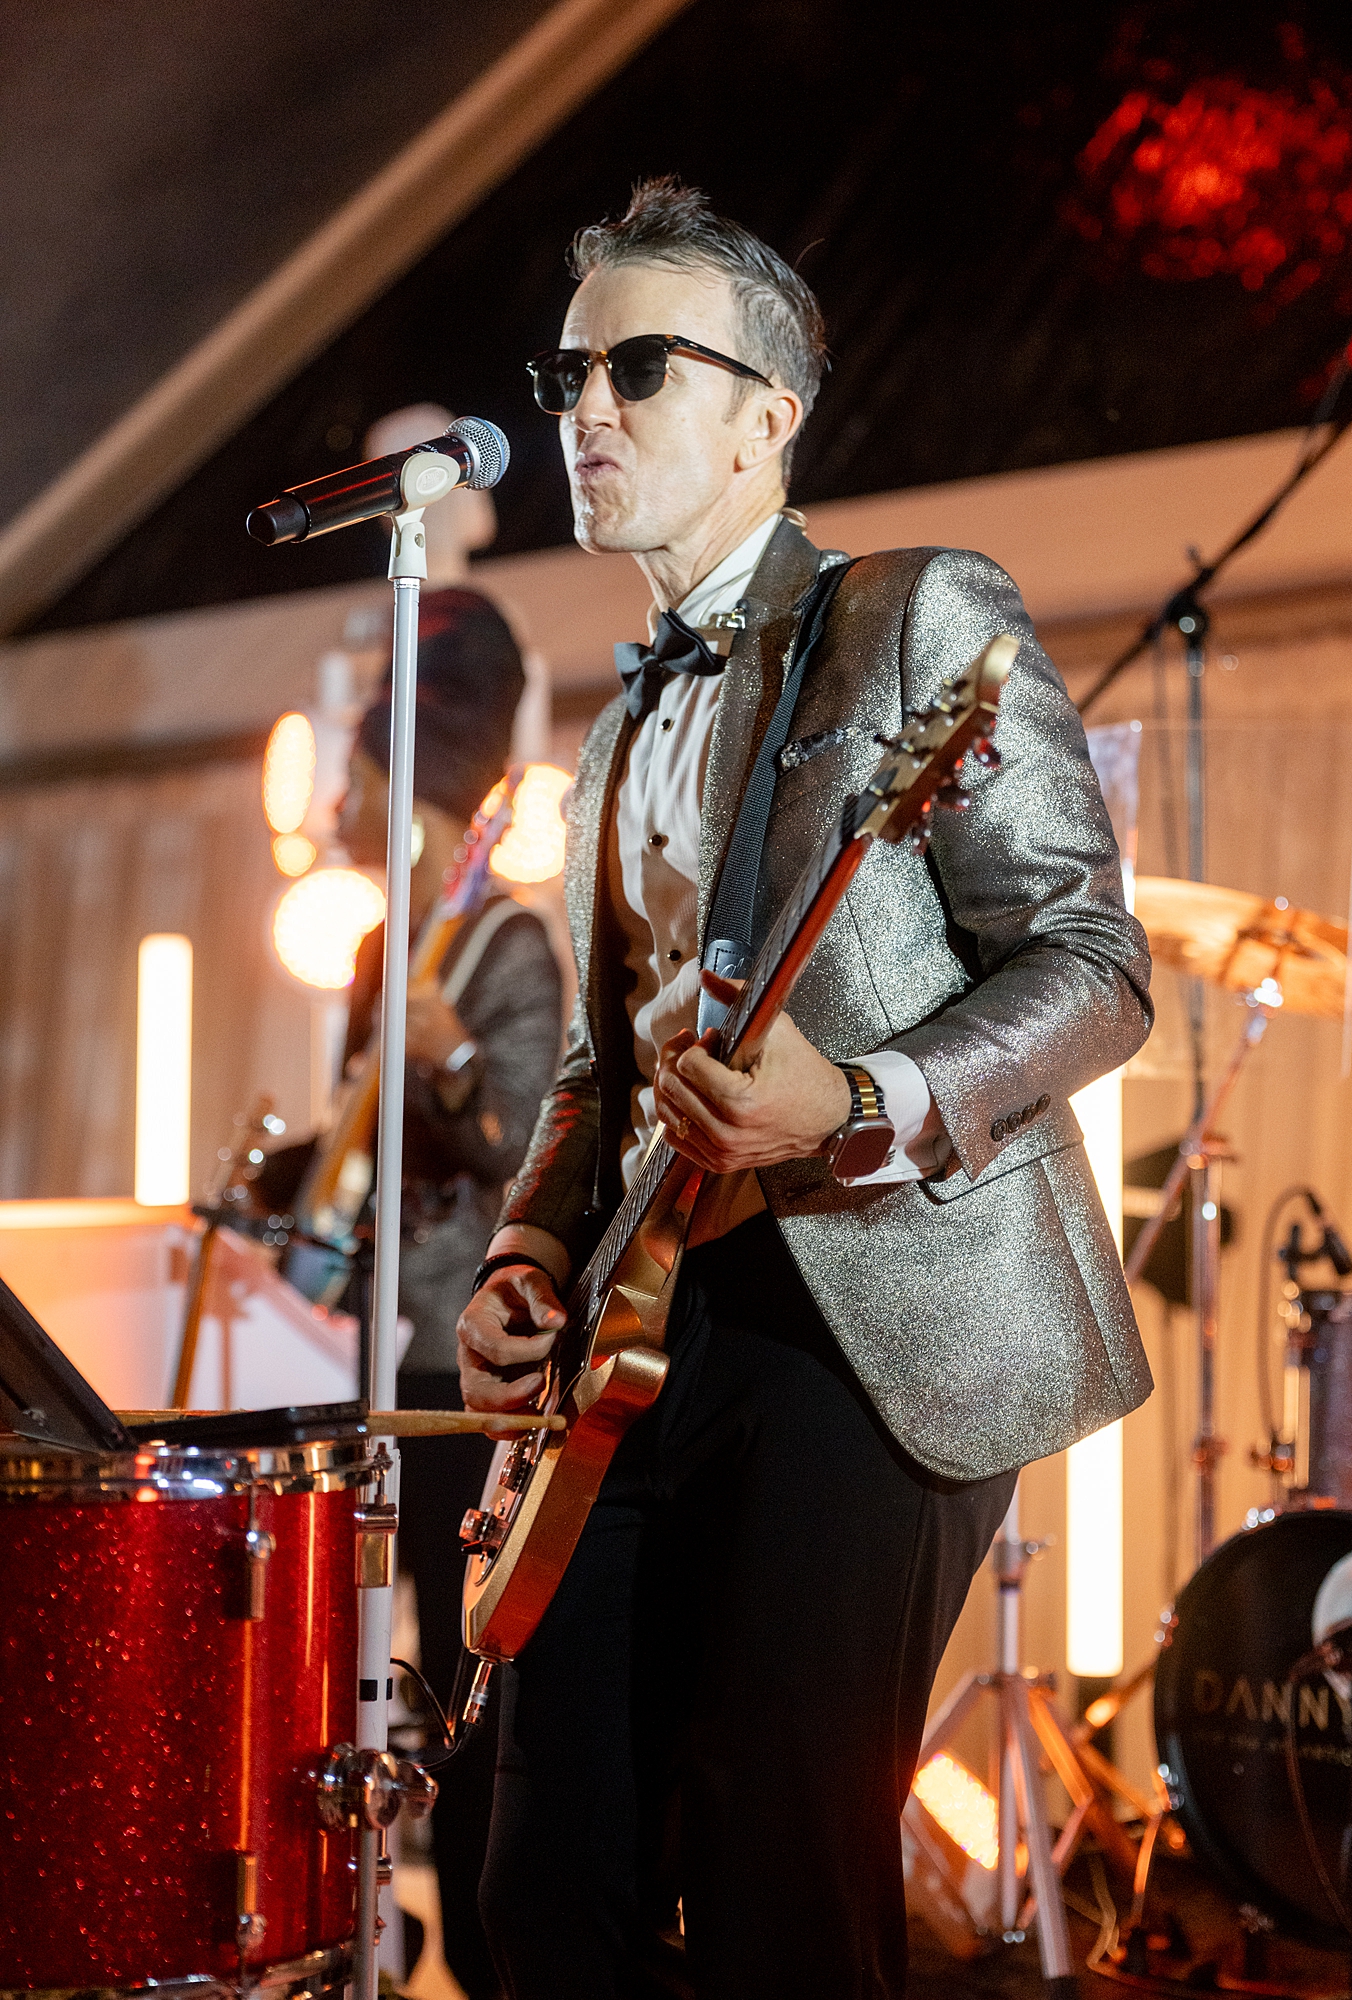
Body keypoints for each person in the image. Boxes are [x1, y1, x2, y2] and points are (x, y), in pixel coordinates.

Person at [455, 180, 1154, 2000]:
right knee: (541, 1874)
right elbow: (599, 1067)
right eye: (567, 373)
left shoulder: (918, 614)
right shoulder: (609, 732)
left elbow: (1095, 971)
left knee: (783, 1873)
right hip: (637, 1325)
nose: (582, 412)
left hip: (869, 1315)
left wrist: (852, 1098)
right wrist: (520, 1262)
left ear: (772, 415)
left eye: (639, 368)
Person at [338, 407, 564, 2000]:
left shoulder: (509, 951)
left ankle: (493, 1938)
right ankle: (369, 1917)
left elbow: (529, 1158)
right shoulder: (375, 949)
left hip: (452, 1375)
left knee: (465, 1667)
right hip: (360, 1351)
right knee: (354, 1665)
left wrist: (449, 1074)